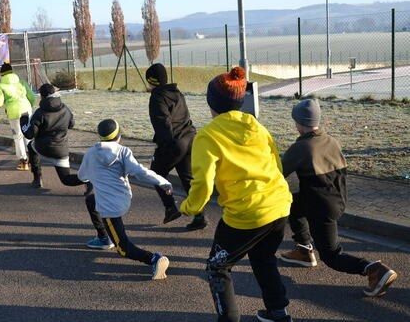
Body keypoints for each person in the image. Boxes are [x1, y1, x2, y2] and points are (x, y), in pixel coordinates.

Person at [180, 67, 293, 322]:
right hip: (279, 206)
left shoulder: (208, 135)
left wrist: (188, 207)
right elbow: (278, 165)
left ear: (212, 102)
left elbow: (203, 186)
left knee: (217, 267)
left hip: (247, 214)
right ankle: (278, 312)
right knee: (264, 257)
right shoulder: (257, 126)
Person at [280, 98, 397, 297]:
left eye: (295, 121)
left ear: (299, 122)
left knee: (332, 256)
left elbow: (277, 172)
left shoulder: (302, 147)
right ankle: (304, 250)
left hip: (320, 207)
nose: (295, 125)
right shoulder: (332, 141)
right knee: (293, 204)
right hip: (335, 199)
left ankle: (374, 270)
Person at [78, 119, 172, 280]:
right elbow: (140, 172)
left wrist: (94, 174)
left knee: (123, 248)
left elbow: (81, 176)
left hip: (110, 207)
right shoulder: (123, 151)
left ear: (99, 136)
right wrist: (163, 182)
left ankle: (154, 258)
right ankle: (103, 237)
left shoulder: (90, 153)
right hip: (123, 198)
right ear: (119, 136)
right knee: (91, 201)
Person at [21, 84, 113, 249]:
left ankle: (37, 178)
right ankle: (88, 178)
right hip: (61, 149)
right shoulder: (65, 108)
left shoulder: (40, 112)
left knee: (30, 146)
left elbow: (29, 134)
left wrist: (23, 120)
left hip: (43, 147)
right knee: (66, 179)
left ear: (42, 96)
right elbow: (71, 124)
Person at [145, 63, 207, 230]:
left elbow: (163, 124)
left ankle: (171, 208)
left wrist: (163, 147)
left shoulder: (157, 97)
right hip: (190, 139)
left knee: (155, 174)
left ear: (151, 81)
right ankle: (199, 216)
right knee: (187, 179)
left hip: (174, 143)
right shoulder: (177, 93)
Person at [0, 61, 37, 171]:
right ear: (12, 72)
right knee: (28, 134)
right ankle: (33, 158)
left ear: (2, 74)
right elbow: (32, 96)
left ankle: (24, 162)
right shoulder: (21, 82)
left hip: (14, 114)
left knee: (18, 137)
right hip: (26, 111)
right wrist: (29, 106)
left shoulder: (1, 86)